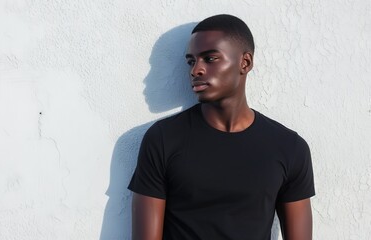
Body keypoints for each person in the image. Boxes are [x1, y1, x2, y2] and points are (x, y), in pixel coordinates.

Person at [128, 14, 315, 240]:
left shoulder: (289, 148)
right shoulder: (163, 139)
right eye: (191, 61)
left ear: (244, 63)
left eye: (210, 58)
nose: (195, 70)